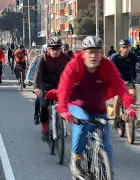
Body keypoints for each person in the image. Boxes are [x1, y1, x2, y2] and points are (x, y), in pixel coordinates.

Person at [48, 36, 136, 177]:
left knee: (106, 145)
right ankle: (76, 158)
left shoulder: (108, 65)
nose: (94, 56)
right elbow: (64, 89)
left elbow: (120, 87)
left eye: (97, 52)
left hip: (99, 108)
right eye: (90, 52)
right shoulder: (74, 65)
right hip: (76, 104)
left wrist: (130, 105)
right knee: (83, 123)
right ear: (83, 53)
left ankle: (107, 174)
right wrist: (64, 110)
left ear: (102, 53)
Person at [32, 37, 70, 139]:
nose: (55, 50)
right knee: (44, 105)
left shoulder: (66, 58)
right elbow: (37, 73)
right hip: (45, 86)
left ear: (61, 48)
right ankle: (45, 128)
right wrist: (36, 87)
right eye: (53, 48)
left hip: (60, 86)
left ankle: (61, 124)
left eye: (57, 48)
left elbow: (74, 71)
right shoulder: (43, 58)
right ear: (49, 48)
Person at [109, 39, 138, 128]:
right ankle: (117, 118)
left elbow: (138, 65)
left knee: (133, 95)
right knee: (117, 99)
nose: (125, 49)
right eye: (123, 47)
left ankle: (129, 109)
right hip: (117, 81)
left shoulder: (133, 56)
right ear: (120, 48)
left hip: (129, 80)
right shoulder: (115, 57)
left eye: (127, 47)